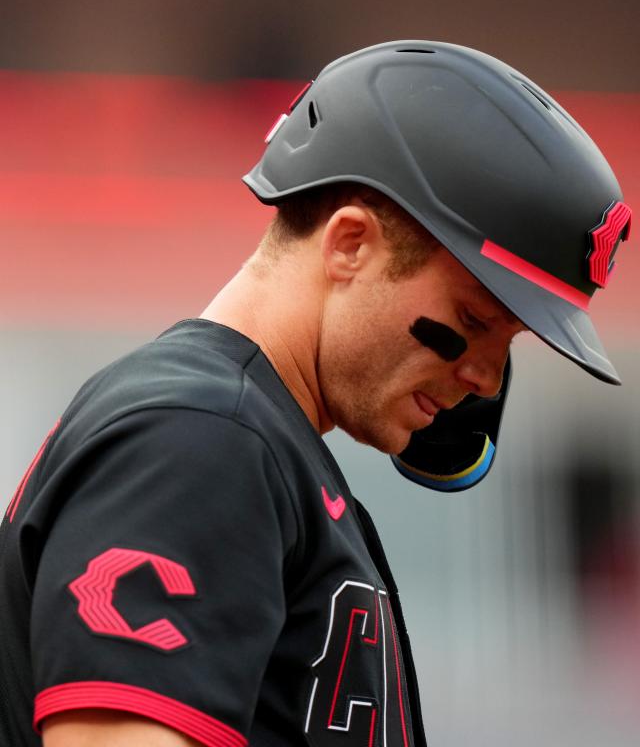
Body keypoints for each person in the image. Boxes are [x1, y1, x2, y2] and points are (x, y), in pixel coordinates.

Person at [0, 41, 631, 747]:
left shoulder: (262, 448)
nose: (485, 376)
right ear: (350, 244)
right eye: (474, 321)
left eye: (506, 342)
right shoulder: (200, 440)